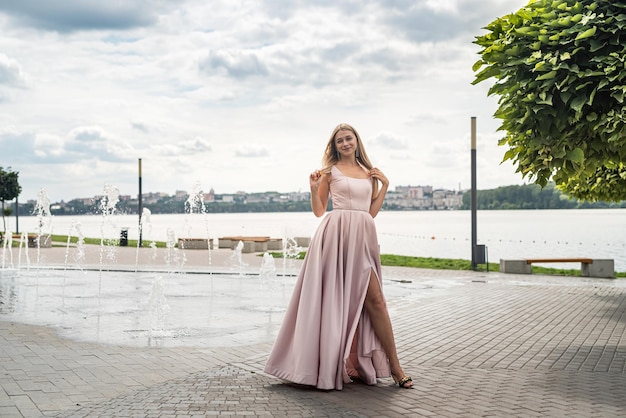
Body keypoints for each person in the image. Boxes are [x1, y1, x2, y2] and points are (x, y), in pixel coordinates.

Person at [264, 123, 413, 390]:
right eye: (340, 141)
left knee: (376, 301)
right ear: (334, 146)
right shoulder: (329, 172)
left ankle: (396, 367)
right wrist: (313, 188)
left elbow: (370, 213)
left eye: (349, 138)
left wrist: (384, 186)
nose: (345, 143)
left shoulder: (370, 173)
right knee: (334, 302)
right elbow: (320, 211)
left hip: (364, 239)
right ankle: (328, 364)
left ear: (357, 140)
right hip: (336, 238)